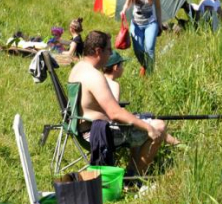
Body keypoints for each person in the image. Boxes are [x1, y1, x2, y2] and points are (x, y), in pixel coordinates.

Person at [68, 31, 166, 176]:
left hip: (83, 130)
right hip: (96, 134)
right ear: (98, 51)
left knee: (136, 121)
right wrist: (148, 127)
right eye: (109, 50)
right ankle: (134, 178)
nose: (110, 54)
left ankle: (131, 170)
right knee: (159, 126)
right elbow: (114, 113)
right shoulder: (94, 76)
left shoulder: (78, 68)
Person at [103, 51, 179, 145]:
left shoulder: (99, 80)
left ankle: (178, 144)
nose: (123, 68)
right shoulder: (114, 85)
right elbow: (114, 114)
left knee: (144, 119)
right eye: (122, 65)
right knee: (158, 127)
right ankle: (179, 145)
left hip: (99, 128)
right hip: (111, 130)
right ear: (115, 67)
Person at [121, 0, 162, 75]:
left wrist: (160, 23)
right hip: (136, 24)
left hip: (150, 23)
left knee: (149, 49)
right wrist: (124, 10)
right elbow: (127, 3)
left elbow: (158, 8)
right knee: (138, 50)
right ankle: (144, 65)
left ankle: (150, 73)